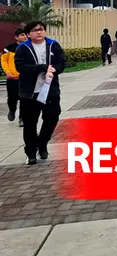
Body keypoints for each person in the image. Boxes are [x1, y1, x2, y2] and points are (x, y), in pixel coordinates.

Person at [14, 21, 66, 165]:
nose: (39, 32)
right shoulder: (23, 48)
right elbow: (20, 67)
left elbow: (61, 61)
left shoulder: (53, 44)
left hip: (50, 91)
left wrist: (54, 70)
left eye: (41, 29)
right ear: (28, 34)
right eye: (35, 30)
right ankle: (30, 152)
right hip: (30, 93)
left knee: (52, 118)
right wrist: (41, 68)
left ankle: (42, 143)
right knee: (30, 123)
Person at [2, 28, 26, 127]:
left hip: (24, 79)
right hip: (12, 79)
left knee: (25, 99)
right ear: (16, 37)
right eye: (22, 35)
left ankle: (22, 118)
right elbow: (3, 61)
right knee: (12, 99)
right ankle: (12, 110)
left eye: (25, 35)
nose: (24, 37)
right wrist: (7, 72)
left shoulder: (29, 47)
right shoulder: (9, 49)